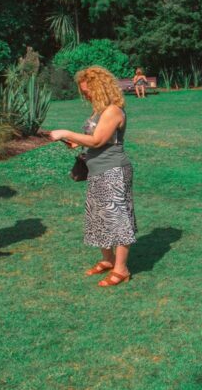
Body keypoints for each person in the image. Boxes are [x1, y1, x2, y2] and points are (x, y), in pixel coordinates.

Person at [48, 66, 137, 287]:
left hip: (113, 170)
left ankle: (122, 268)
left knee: (118, 220)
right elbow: (93, 138)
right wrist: (76, 141)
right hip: (97, 171)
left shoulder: (113, 111)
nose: (85, 94)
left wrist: (67, 133)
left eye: (88, 90)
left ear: (100, 88)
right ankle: (108, 260)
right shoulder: (98, 111)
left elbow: (98, 141)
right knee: (98, 219)